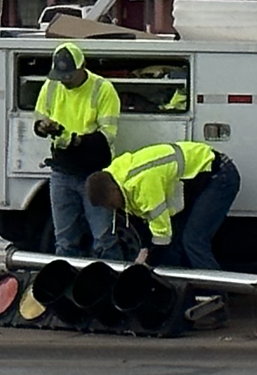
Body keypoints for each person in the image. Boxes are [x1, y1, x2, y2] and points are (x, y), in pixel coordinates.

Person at [86, 140, 240, 271]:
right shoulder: (117, 179)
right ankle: (182, 295)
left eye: (112, 204)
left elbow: (162, 237)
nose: (113, 209)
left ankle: (214, 297)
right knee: (177, 244)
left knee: (193, 241)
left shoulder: (142, 185)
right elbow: (145, 224)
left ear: (113, 190)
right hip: (200, 180)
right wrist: (145, 248)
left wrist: (147, 265)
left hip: (219, 175)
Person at [33, 41, 123, 259]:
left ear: (82, 67)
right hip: (62, 171)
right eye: (60, 75)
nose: (64, 80)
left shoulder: (102, 89)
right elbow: (38, 119)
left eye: (69, 75)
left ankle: (112, 286)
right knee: (64, 241)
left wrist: (76, 141)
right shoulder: (52, 86)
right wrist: (42, 127)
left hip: (94, 174)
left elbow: (107, 135)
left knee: (104, 239)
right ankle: (66, 288)